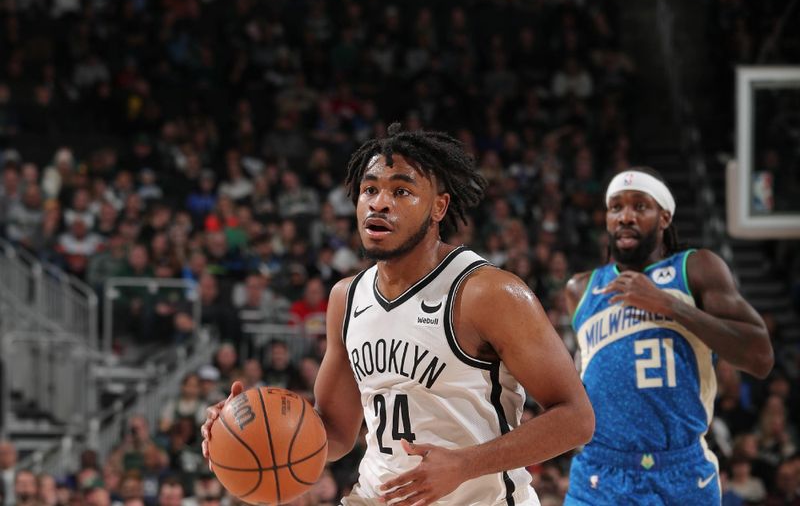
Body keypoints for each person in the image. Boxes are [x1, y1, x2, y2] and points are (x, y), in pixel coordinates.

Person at [203, 124, 595, 505]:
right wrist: (247, 430)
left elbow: (576, 419)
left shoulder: (487, 293)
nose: (379, 202)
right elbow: (335, 435)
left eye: (402, 191)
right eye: (369, 189)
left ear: (439, 206)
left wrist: (465, 464)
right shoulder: (347, 297)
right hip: (375, 497)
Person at [564, 167, 774, 505]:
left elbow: (760, 357)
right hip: (600, 471)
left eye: (640, 207)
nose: (626, 217)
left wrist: (670, 306)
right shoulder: (580, 288)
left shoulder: (696, 269)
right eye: (616, 208)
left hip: (681, 469)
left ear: (664, 217)